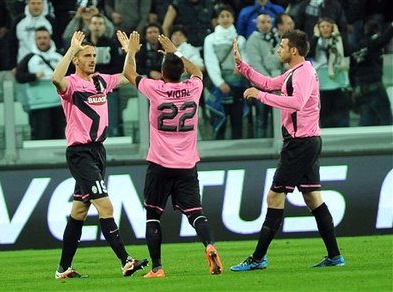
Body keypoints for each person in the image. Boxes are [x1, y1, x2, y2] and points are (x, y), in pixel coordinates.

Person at [230, 29, 345, 271]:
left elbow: (297, 103)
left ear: (294, 50)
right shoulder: (296, 71)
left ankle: (258, 258)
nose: (278, 50)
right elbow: (270, 84)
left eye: (282, 46)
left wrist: (260, 97)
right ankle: (334, 256)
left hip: (300, 143)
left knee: (274, 196)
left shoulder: (302, 74)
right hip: (308, 141)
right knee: (313, 197)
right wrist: (243, 67)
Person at [117, 30, 223, 278]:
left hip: (160, 163)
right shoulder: (193, 87)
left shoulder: (156, 88)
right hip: (187, 163)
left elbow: (129, 74)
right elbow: (197, 71)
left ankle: (157, 268)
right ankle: (208, 244)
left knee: (153, 215)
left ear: (162, 73)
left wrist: (131, 51)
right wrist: (176, 51)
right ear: (181, 72)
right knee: (196, 213)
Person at [51, 31, 148, 279]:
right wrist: (71, 49)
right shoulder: (71, 84)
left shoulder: (101, 81)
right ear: (77, 59)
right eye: (87, 55)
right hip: (80, 153)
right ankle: (126, 260)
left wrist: (130, 53)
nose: (92, 59)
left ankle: (63, 269)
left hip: (97, 152)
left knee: (79, 212)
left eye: (94, 55)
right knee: (105, 205)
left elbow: (128, 77)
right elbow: (55, 78)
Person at [204, 5, 248, 140]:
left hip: (237, 82)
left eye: (228, 16)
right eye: (222, 16)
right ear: (217, 20)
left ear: (233, 19)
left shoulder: (240, 39)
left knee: (237, 120)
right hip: (219, 85)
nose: (225, 19)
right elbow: (210, 62)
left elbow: (245, 57)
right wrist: (220, 82)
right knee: (219, 118)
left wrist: (241, 67)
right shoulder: (210, 39)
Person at [15, 26, 66, 140]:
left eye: (45, 38)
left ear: (50, 39)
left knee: (60, 137)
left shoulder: (60, 56)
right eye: (39, 38)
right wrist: (34, 76)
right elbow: (19, 77)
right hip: (38, 106)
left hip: (59, 105)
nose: (42, 41)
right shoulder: (29, 58)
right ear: (35, 40)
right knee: (41, 136)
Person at [350, 20, 393, 126]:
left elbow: (351, 70)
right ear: (377, 31)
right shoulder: (373, 42)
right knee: (385, 118)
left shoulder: (358, 46)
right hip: (375, 88)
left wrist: (353, 87)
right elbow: (385, 39)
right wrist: (391, 27)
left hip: (361, 89)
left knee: (366, 118)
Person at [245, 13, 282, 138]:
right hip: (261, 86)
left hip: (277, 85)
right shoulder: (252, 41)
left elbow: (281, 59)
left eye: (268, 22)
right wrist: (270, 82)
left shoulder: (277, 38)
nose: (265, 25)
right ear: (257, 24)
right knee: (261, 118)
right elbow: (256, 65)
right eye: (262, 22)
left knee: (279, 119)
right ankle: (260, 148)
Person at [309, 17, 350, 128]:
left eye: (328, 26)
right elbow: (309, 52)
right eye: (322, 26)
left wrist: (337, 35)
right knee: (325, 117)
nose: (325, 29)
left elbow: (347, 51)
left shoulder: (338, 40)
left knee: (341, 116)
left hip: (338, 82)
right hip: (322, 85)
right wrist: (316, 36)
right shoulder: (316, 41)